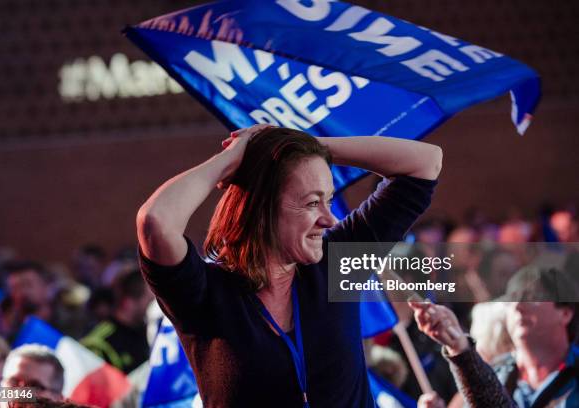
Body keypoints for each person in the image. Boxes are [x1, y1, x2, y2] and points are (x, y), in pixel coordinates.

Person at [137, 124, 442, 407]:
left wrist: (304, 146)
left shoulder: (337, 262)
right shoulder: (205, 293)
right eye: (312, 203)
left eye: (329, 200)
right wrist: (234, 159)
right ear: (263, 208)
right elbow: (156, 222)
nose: (329, 218)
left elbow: (425, 162)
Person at [412, 265, 579, 408]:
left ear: (565, 313)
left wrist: (462, 349)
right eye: (512, 298)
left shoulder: (481, 374)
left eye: (533, 297)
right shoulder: (493, 372)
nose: (518, 306)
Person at [80, 269, 153, 374]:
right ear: (129, 302)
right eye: (150, 300)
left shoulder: (151, 331)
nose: (156, 306)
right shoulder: (99, 342)